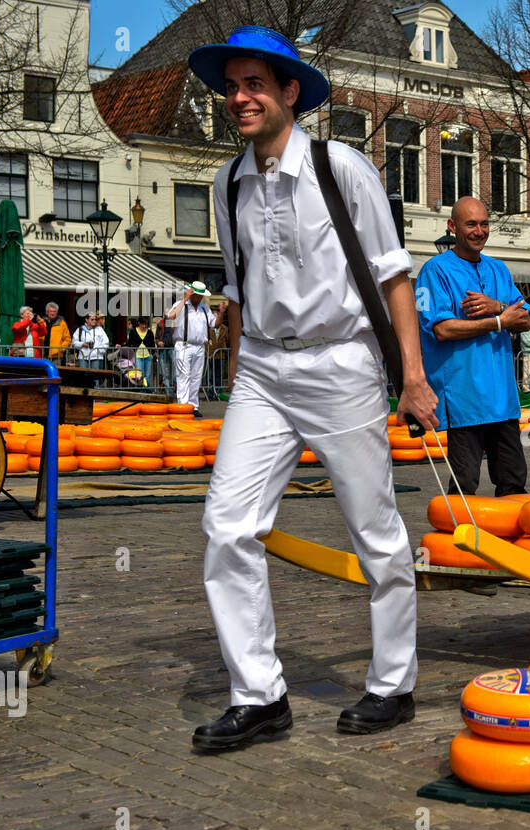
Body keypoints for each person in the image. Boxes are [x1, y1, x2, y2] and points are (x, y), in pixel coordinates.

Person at [188, 25, 438, 750]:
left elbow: (393, 275)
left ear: (289, 93)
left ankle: (394, 682)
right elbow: (237, 290)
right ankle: (260, 694)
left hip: (341, 364)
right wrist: (237, 379)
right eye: (231, 86)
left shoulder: (342, 168)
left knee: (375, 530)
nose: (240, 98)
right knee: (226, 525)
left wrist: (412, 378)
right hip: (264, 369)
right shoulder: (226, 180)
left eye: (255, 85)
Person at [417, 196, 530, 496]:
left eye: (484, 224)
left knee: (513, 483)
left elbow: (526, 318)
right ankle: (457, 543)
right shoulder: (434, 271)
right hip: (464, 398)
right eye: (471, 224)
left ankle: (506, 544)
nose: (479, 231)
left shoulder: (499, 270)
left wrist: (497, 306)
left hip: (503, 399)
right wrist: (500, 322)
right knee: (464, 486)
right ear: (452, 226)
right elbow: (441, 329)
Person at [165, 281, 219, 414]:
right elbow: (171, 316)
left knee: (196, 377)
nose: (199, 298)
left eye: (201, 296)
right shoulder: (180, 305)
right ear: (191, 293)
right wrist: (185, 298)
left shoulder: (204, 309)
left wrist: (222, 313)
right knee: (184, 376)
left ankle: (193, 406)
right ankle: (183, 406)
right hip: (184, 345)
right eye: (197, 295)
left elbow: (215, 324)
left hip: (200, 346)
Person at [73, 312, 110, 386]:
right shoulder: (80, 330)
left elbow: (106, 342)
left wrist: (98, 351)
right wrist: (82, 344)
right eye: (92, 319)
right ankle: (84, 393)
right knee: (83, 376)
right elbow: (74, 342)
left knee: (95, 376)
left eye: (95, 319)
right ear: (86, 319)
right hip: (83, 356)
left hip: (96, 356)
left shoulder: (100, 330)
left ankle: (95, 393)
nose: (94, 321)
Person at [127, 318, 156, 387]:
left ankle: (147, 390)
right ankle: (141, 391)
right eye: (142, 324)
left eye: (145, 324)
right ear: (139, 323)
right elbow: (129, 344)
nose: (144, 326)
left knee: (148, 375)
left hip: (148, 356)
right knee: (140, 375)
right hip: (137, 356)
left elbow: (152, 344)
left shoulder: (149, 332)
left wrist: (152, 353)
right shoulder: (133, 332)